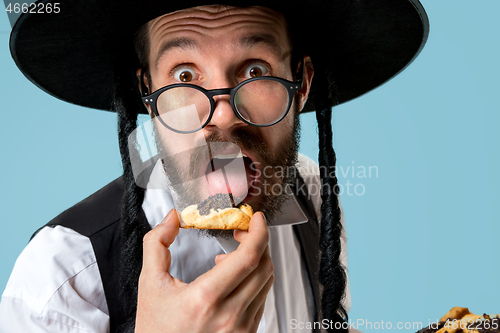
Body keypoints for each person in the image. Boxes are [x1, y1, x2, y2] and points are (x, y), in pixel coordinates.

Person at [0, 0, 429, 332]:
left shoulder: (313, 196)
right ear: (148, 93)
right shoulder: (62, 276)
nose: (224, 115)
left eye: (255, 70)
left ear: (302, 85)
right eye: (185, 76)